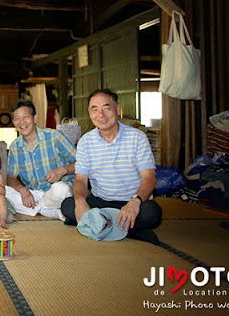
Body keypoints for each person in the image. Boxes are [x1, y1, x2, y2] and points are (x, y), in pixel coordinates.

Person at [60, 89, 163, 243]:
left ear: (118, 109)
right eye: (95, 109)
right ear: (89, 113)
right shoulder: (85, 142)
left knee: (152, 213)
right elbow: (81, 180)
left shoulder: (137, 137)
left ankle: (101, 225)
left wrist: (134, 202)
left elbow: (149, 179)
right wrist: (80, 202)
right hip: (101, 201)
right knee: (68, 205)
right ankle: (130, 230)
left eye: (106, 108)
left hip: (131, 200)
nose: (101, 114)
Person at [5, 100, 76, 221]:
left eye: (26, 117)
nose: (22, 122)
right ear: (13, 123)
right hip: (33, 194)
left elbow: (82, 163)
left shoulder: (54, 136)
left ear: (35, 118)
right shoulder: (15, 147)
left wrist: (62, 170)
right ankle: (49, 211)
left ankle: (38, 209)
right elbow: (10, 178)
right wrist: (23, 190)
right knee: (1, 191)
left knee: (61, 189)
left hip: (57, 191)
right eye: (17, 119)